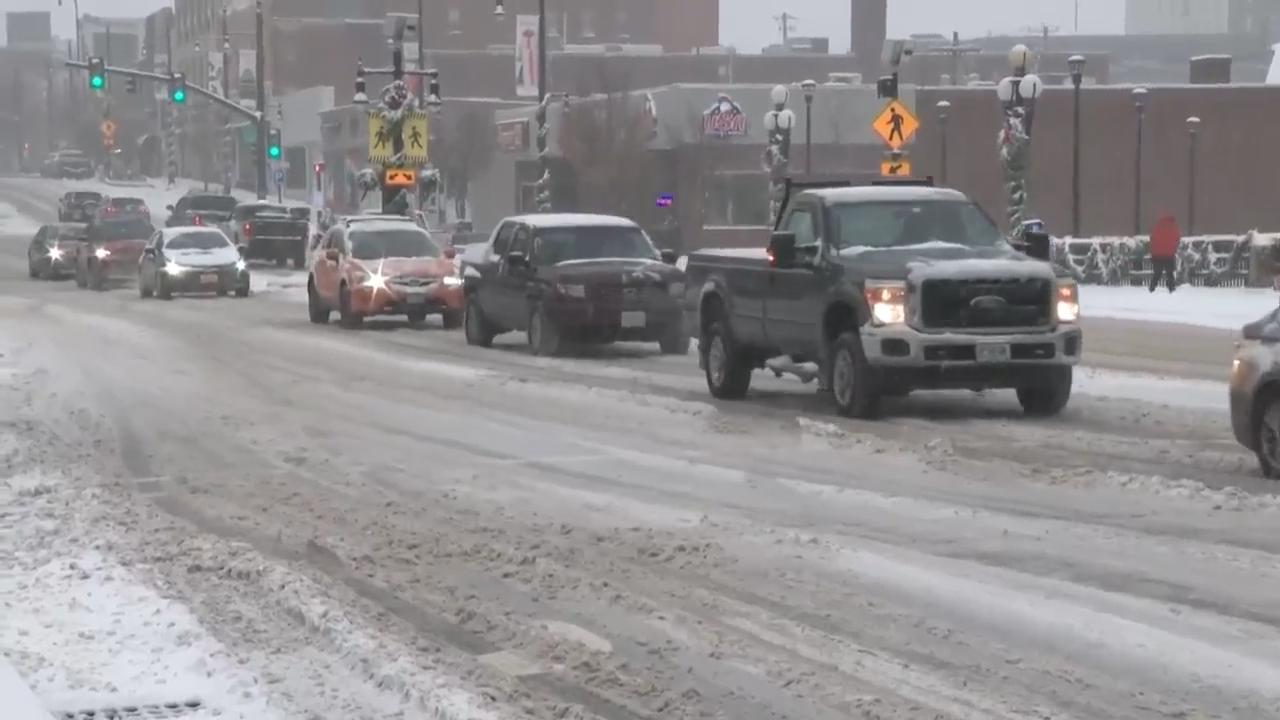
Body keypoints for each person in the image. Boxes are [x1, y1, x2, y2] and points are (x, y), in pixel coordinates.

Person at [1148, 211, 1181, 293]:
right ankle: (1171, 287)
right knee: (1170, 273)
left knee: (1157, 273)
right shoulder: (1173, 227)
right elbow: (1177, 238)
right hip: (1169, 254)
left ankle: (1152, 287)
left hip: (1157, 254)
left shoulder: (1158, 226)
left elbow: (1152, 239)